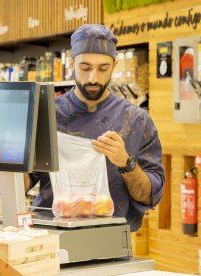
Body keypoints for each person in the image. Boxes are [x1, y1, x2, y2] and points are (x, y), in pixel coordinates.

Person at [25, 24, 165, 232]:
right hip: (50, 236)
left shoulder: (137, 121)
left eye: (103, 68)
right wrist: (11, 158)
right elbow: (21, 185)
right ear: (72, 64)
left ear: (114, 66)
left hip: (113, 242)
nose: (93, 78)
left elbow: (149, 195)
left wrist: (126, 163)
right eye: (85, 67)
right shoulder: (45, 115)